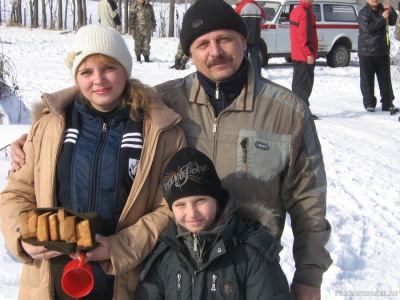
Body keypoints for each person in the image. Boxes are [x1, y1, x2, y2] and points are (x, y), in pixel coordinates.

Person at [9, 1, 333, 299]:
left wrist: (309, 274)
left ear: (243, 39)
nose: (215, 51)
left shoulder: (287, 111)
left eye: (225, 39)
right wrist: (34, 141)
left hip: (250, 271)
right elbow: (101, 98)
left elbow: (308, 200)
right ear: (190, 53)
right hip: (176, 274)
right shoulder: (163, 104)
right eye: (202, 44)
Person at [0, 24, 186, 300]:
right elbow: (16, 193)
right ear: (77, 77)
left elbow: (169, 208)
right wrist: (22, 235)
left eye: (109, 67)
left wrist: (118, 247)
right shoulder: (50, 127)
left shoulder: (161, 132)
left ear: (125, 69)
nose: (98, 79)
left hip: (126, 281)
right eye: (86, 71)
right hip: (50, 280)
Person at [134, 147, 292, 299]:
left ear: (216, 199)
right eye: (180, 205)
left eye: (200, 200)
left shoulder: (252, 253)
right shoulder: (164, 257)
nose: (192, 213)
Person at [358, 0, 398, 113]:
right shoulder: (364, 13)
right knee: (367, 80)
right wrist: (382, 17)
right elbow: (369, 28)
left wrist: (390, 10)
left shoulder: (383, 9)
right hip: (367, 52)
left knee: (385, 80)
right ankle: (369, 104)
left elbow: (393, 22)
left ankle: (388, 103)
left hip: (382, 51)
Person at [289, 0, 318, 120]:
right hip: (304, 55)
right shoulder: (304, 13)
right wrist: (309, 53)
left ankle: (296, 110)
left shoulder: (296, 11)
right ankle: (303, 113)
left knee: (298, 84)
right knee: (304, 85)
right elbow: (304, 36)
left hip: (297, 54)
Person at [234, 0, 266, 75]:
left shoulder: (240, 8)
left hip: (243, 37)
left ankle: (243, 74)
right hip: (255, 36)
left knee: (243, 57)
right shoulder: (258, 7)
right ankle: (257, 75)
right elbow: (264, 21)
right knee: (255, 57)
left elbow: (233, 20)